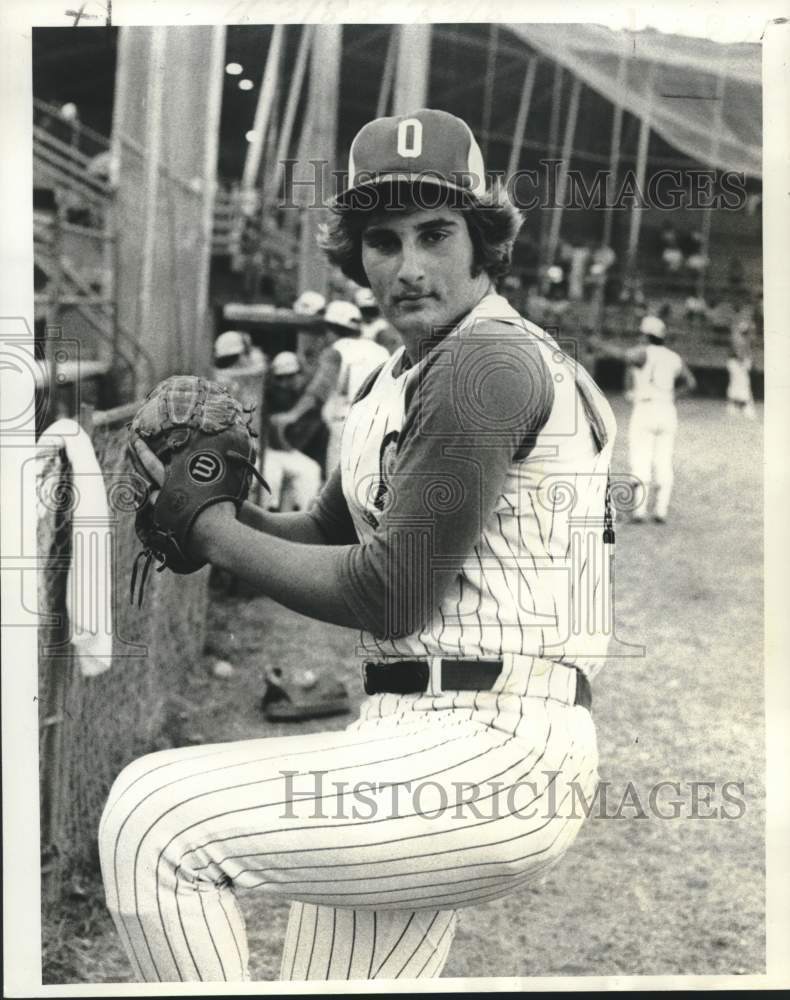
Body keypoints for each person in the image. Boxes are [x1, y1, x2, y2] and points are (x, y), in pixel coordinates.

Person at [100, 107, 617, 984]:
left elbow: (389, 590)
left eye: (436, 232)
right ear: (356, 253)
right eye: (383, 240)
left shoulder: (486, 361)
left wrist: (213, 531)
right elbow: (323, 533)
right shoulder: (396, 372)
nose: (409, 267)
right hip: (411, 731)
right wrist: (220, 521)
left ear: (485, 240)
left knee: (152, 820)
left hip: (493, 746)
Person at [592, 315, 696, 524]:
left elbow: (621, 355)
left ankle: (639, 511)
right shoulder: (674, 357)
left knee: (641, 457)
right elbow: (691, 383)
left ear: (645, 335)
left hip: (645, 409)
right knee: (664, 459)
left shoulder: (643, 352)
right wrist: (673, 396)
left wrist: (598, 343)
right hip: (667, 408)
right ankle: (661, 510)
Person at [318, 299, 390, 473]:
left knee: (337, 487)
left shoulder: (336, 350)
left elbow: (317, 391)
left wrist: (292, 415)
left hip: (345, 425)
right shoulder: (380, 351)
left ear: (332, 327)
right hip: (378, 426)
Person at [261, 351, 324, 513]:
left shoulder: (309, 398)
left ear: (300, 374)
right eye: (280, 378)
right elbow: (275, 439)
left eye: (290, 376)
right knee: (270, 474)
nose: (285, 382)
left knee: (311, 471)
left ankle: (305, 516)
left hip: (295, 453)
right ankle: (265, 515)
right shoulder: (271, 396)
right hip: (270, 452)